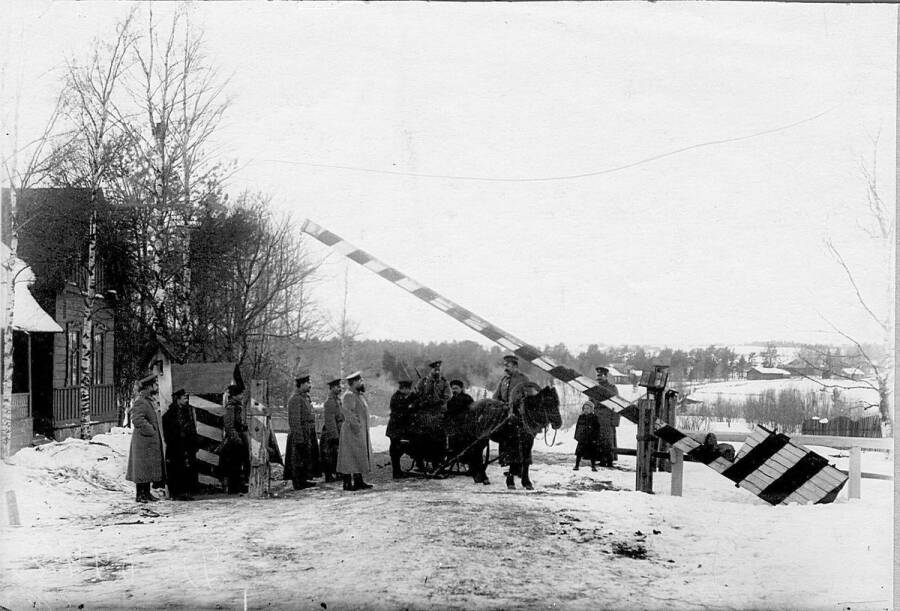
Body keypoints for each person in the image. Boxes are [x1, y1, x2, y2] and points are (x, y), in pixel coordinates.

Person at [126, 373, 166, 503]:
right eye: (154, 384)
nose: (156, 386)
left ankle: (146, 493)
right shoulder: (141, 401)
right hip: (143, 441)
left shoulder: (147, 401)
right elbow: (137, 420)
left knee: (147, 468)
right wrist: (151, 430)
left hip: (147, 441)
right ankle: (140, 494)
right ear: (148, 387)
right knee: (142, 469)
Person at [284, 369, 322, 490]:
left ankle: (304, 479)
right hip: (299, 433)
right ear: (301, 384)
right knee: (297, 458)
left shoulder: (305, 398)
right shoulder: (295, 399)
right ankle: (297, 482)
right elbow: (294, 421)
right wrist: (299, 437)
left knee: (306, 457)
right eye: (308, 383)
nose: (310, 386)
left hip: (307, 432)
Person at [337, 371, 374, 491]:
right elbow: (348, 413)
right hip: (351, 432)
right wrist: (357, 427)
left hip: (358, 431)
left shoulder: (358, 395)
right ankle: (347, 483)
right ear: (354, 383)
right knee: (349, 457)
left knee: (358, 456)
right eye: (360, 381)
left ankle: (358, 481)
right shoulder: (349, 395)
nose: (362, 382)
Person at [161, 388, 198, 500]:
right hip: (176, 446)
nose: (186, 400)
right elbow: (168, 433)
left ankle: (186, 492)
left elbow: (192, 428)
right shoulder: (169, 415)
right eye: (184, 397)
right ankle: (177, 493)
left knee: (188, 469)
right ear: (178, 399)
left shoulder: (188, 412)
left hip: (187, 445)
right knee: (176, 469)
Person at [221, 384, 250, 494]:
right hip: (234, 440)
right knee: (234, 464)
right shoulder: (230, 408)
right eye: (240, 394)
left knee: (241, 462)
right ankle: (234, 487)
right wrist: (237, 440)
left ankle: (239, 485)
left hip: (240, 437)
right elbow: (229, 426)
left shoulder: (238, 406)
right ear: (234, 396)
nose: (242, 395)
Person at [386, 379, 417, 479]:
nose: (409, 391)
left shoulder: (407, 396)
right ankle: (396, 472)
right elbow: (402, 411)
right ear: (403, 389)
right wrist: (410, 406)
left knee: (399, 450)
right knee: (395, 451)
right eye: (407, 389)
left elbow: (414, 401)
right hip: (395, 428)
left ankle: (398, 471)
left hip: (400, 429)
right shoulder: (396, 397)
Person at [319, 377, 344, 483]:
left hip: (338, 429)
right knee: (329, 455)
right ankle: (329, 476)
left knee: (336, 454)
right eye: (338, 387)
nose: (340, 388)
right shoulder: (330, 402)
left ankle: (337, 473)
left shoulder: (337, 400)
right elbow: (330, 421)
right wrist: (335, 436)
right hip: (331, 432)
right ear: (333, 388)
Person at [595, 366, 620, 466]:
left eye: (601, 376)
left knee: (608, 440)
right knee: (598, 439)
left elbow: (617, 405)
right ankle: (601, 459)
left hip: (607, 418)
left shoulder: (612, 388)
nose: (599, 378)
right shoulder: (594, 388)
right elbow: (590, 402)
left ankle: (609, 460)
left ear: (606, 376)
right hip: (597, 418)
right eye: (598, 376)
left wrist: (615, 420)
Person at [573, 401, 601, 472]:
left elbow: (597, 429)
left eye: (588, 408)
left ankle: (593, 466)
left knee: (592, 453)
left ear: (591, 409)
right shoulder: (581, 417)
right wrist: (576, 436)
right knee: (579, 453)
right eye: (585, 408)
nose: (586, 410)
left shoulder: (594, 417)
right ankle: (576, 465)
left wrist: (595, 438)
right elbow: (577, 427)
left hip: (591, 438)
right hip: (582, 438)